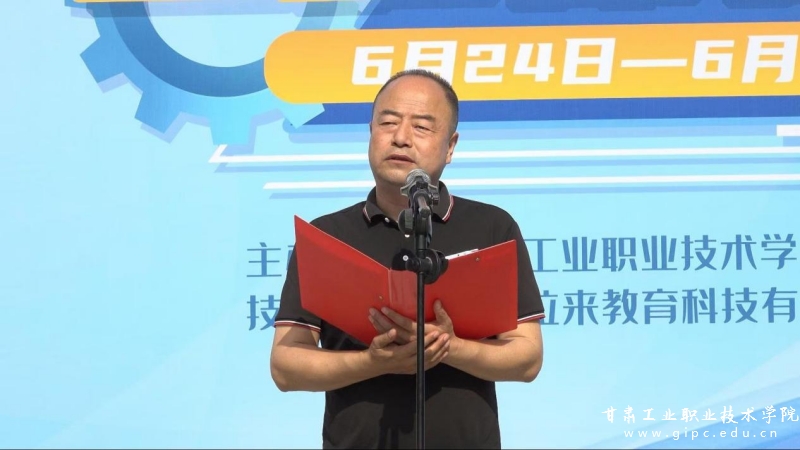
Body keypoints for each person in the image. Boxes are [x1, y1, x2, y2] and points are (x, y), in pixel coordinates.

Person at [270, 68, 546, 449]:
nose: (400, 137)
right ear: (370, 132)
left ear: (450, 146)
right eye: (388, 122)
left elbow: (527, 357)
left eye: (421, 127)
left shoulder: (492, 228)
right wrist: (374, 362)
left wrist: (448, 346)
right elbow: (286, 366)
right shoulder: (327, 236)